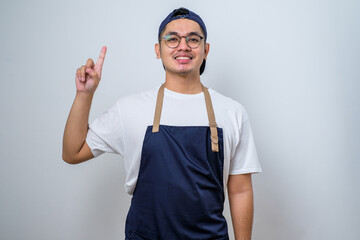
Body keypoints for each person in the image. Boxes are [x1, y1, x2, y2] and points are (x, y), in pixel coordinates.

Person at [63, 7, 261, 240]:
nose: (183, 46)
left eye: (193, 39)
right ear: (159, 50)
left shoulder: (232, 112)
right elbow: (72, 152)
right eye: (173, 39)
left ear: (206, 50)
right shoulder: (129, 109)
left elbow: (240, 190)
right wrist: (85, 94)